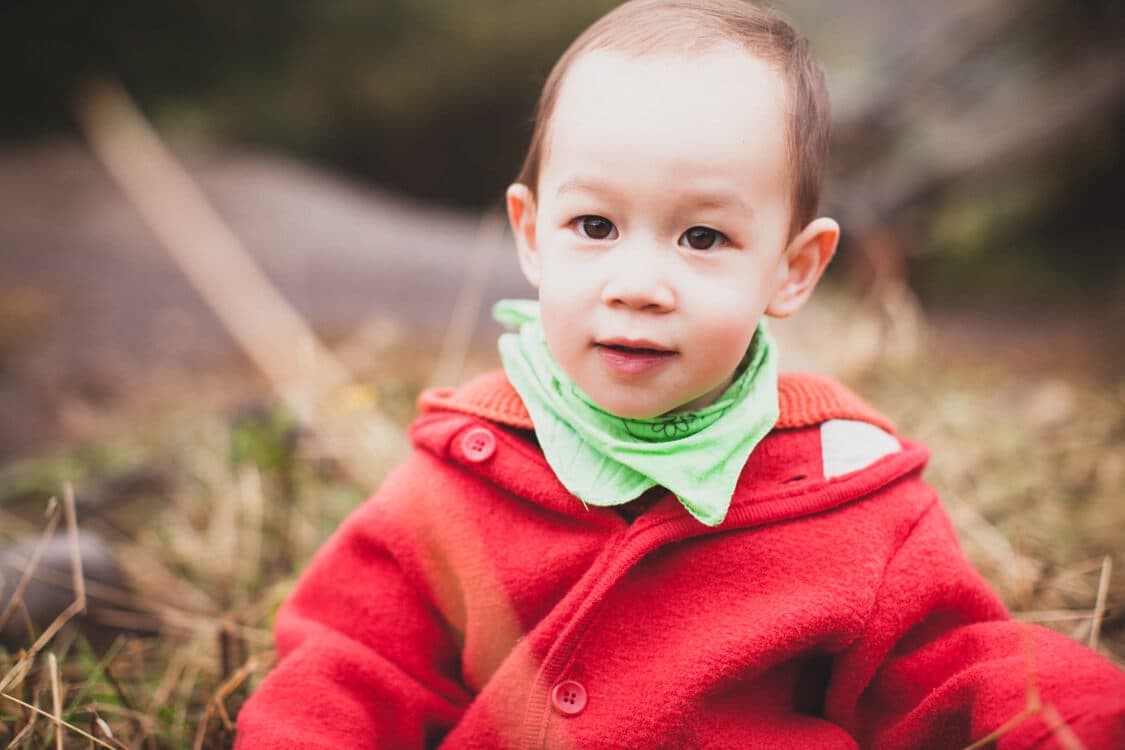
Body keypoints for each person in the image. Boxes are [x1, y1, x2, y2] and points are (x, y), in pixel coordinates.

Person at [235, 1, 1125, 747]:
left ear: (793, 268)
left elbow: (964, 667)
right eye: (594, 226)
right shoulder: (458, 475)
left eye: (702, 238)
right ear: (531, 232)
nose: (637, 286)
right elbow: (349, 665)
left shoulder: (854, 500)